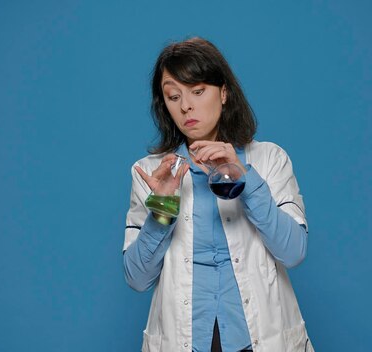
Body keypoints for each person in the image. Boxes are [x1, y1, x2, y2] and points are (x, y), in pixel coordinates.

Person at [122, 37, 315, 352]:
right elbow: (137, 279)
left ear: (224, 92)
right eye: (173, 96)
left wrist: (244, 178)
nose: (186, 106)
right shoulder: (151, 172)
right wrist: (163, 206)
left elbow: (293, 252)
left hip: (261, 341)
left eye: (198, 92)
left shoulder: (269, 160)